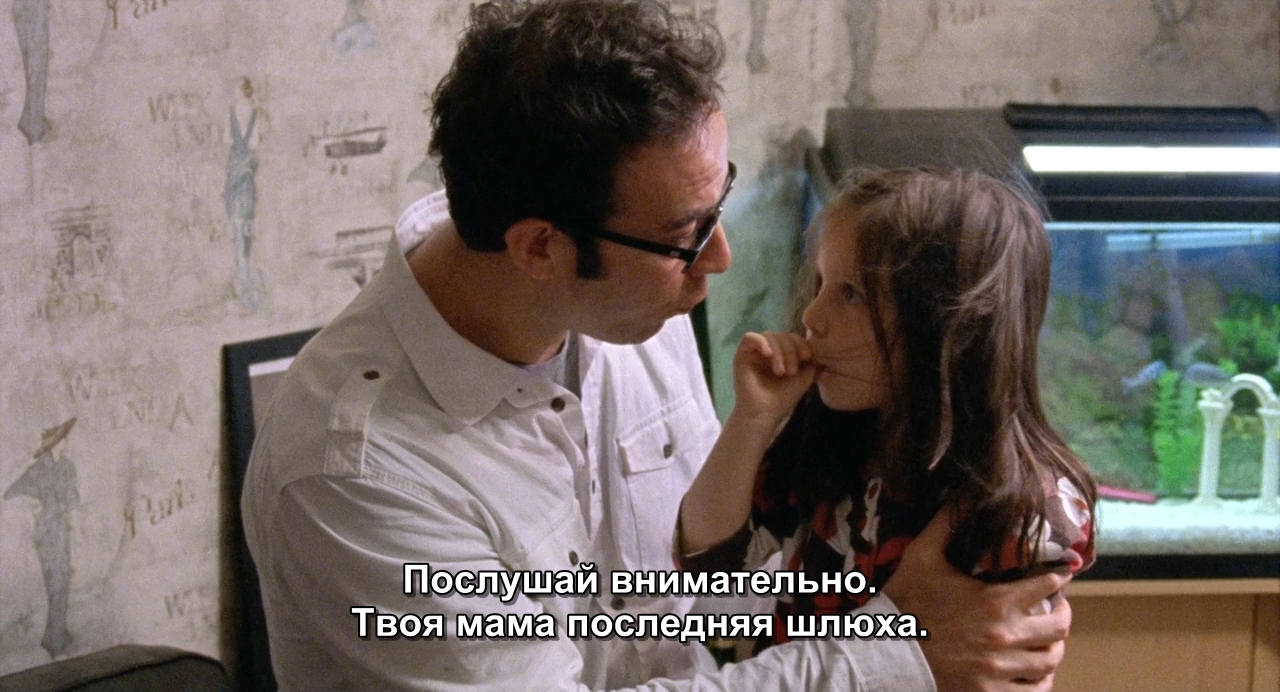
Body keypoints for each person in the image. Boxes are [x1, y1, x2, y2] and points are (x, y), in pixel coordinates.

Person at [241, 1, 1076, 689]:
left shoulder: (627, 306)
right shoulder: (355, 474)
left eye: (718, 207)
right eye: (686, 234)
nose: (721, 259)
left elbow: (699, 604)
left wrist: (951, 622)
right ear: (540, 248)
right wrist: (898, 649)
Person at [679, 167, 1098, 679]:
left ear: (945, 325)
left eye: (851, 293)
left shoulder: (1019, 509)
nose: (811, 316)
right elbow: (705, 575)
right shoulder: (831, 449)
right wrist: (752, 418)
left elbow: (999, 673)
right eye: (821, 283)